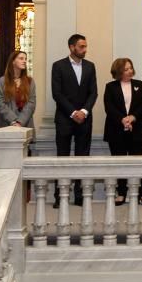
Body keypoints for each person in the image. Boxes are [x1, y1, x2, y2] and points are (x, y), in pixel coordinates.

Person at [51, 34, 97, 206]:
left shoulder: (90, 66)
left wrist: (84, 112)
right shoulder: (58, 66)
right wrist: (73, 113)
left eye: (85, 46)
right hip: (64, 119)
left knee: (82, 157)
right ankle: (60, 197)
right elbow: (57, 94)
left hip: (85, 120)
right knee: (62, 158)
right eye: (81, 47)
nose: (85, 50)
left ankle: (79, 196)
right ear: (71, 47)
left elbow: (94, 92)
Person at [103, 58, 142, 206]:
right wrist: (123, 120)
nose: (130, 71)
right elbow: (109, 108)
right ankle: (121, 193)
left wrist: (132, 117)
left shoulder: (139, 85)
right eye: (126, 69)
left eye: (131, 68)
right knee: (119, 163)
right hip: (116, 131)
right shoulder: (110, 87)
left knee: (139, 163)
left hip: (137, 130)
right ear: (119, 72)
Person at [0, 50, 36, 128]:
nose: (24, 61)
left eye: (25, 59)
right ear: (13, 61)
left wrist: (20, 122)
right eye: (21, 58)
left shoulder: (30, 81)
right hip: (7, 124)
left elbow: (31, 103)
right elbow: (1, 104)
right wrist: (13, 121)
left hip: (26, 124)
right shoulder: (1, 81)